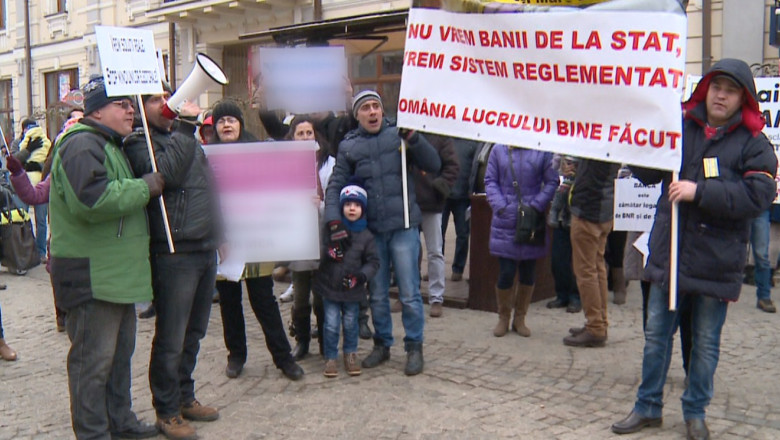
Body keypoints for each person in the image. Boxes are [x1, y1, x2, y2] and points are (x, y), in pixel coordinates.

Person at [611, 59, 777, 440]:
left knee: (704, 344)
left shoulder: (754, 144)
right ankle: (647, 405)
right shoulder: (680, 127)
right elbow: (650, 171)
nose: (721, 94)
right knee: (656, 335)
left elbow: (759, 196)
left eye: (731, 90)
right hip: (669, 255)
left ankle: (695, 412)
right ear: (706, 90)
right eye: (716, 86)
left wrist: (699, 191)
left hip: (715, 262)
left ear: (744, 99)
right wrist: (639, 145)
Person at [49, 75, 162, 439]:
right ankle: (94, 433)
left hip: (114, 276)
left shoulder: (108, 143)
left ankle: (121, 423)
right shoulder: (82, 145)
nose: (132, 109)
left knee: (117, 360)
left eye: (132, 104)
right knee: (91, 366)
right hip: (92, 277)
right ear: (97, 109)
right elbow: (93, 199)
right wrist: (144, 186)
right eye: (122, 104)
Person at [124, 85, 223, 440]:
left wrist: (219, 230)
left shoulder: (183, 137)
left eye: (166, 97)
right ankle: (166, 411)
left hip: (202, 244)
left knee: (194, 331)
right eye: (154, 100)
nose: (164, 104)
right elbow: (167, 176)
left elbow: (207, 185)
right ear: (139, 108)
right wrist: (184, 127)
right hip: (174, 249)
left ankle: (184, 395)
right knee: (172, 335)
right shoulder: (139, 142)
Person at [325, 90, 440, 376]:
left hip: (403, 227)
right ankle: (382, 343)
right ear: (357, 115)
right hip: (371, 233)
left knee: (411, 293)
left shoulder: (400, 134)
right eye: (366, 108)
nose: (373, 112)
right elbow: (336, 185)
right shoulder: (349, 146)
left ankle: (414, 346)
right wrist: (334, 221)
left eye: (377, 105)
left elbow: (434, 164)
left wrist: (414, 137)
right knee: (376, 294)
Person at [210, 100, 304, 382]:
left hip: (255, 239)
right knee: (229, 302)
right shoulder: (208, 157)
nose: (227, 124)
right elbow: (207, 201)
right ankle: (236, 355)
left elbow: (280, 187)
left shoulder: (259, 152)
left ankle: (283, 358)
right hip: (225, 242)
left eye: (232, 119)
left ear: (241, 123)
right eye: (221, 120)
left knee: (264, 300)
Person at [484, 144, 557, 337]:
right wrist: (501, 206)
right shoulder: (498, 149)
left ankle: (520, 318)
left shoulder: (541, 149)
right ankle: (503, 317)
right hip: (506, 219)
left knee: (528, 271)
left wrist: (537, 205)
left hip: (531, 219)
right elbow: (490, 180)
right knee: (506, 271)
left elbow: (552, 181)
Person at [315, 181, 379, 377]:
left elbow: (373, 262)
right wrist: (328, 252)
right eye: (348, 204)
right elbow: (319, 250)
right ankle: (331, 356)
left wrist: (360, 277)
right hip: (330, 287)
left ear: (363, 209)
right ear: (341, 206)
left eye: (357, 205)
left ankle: (350, 353)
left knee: (351, 323)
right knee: (331, 324)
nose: (352, 208)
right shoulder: (332, 230)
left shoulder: (367, 236)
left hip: (353, 290)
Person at [285, 115, 335, 360]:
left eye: (309, 133)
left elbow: (336, 197)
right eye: (300, 133)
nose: (305, 137)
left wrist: (321, 203)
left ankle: (327, 341)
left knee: (322, 292)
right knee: (301, 292)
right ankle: (302, 341)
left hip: (323, 232)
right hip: (298, 235)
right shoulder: (284, 164)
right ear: (292, 137)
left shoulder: (330, 164)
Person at [563, 158, 620, 347]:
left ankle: (595, 326)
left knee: (586, 271)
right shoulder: (610, 141)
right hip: (602, 208)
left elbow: (591, 177)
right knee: (597, 267)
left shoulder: (599, 142)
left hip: (589, 210)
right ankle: (599, 322)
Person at [412, 133, 458, 318]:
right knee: (408, 251)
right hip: (408, 202)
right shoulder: (405, 133)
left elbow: (453, 166)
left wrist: (440, 186)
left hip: (432, 202)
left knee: (435, 251)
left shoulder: (441, 137)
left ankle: (436, 297)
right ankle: (408, 293)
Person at [546, 155, 582, 313]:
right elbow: (551, 168)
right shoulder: (561, 149)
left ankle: (576, 297)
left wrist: (577, 171)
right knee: (558, 259)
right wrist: (562, 168)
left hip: (578, 215)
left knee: (576, 261)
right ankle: (561, 294)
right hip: (561, 217)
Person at [441, 138, 480, 282]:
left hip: (463, 197)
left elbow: (475, 169)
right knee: (438, 233)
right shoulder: (444, 139)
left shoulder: (472, 142)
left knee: (463, 234)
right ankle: (437, 269)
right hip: (443, 194)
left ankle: (458, 269)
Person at [749, 209, 776, 312]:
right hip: (738, 204)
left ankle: (764, 296)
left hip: (760, 208)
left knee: (762, 255)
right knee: (729, 249)